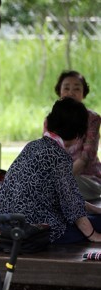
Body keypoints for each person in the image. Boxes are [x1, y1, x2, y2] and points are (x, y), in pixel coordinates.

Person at [0, 97, 101, 244]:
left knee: (94, 217)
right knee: (97, 222)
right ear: (78, 132)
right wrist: (93, 235)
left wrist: (95, 209)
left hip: (7, 225)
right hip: (36, 230)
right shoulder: (59, 157)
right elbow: (71, 205)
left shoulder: (32, 146)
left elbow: (69, 196)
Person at [43, 70, 101, 200]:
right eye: (66, 88)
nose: (71, 92)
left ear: (83, 93)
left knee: (65, 187)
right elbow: (47, 155)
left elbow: (86, 158)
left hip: (87, 179)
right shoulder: (50, 120)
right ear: (59, 91)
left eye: (76, 88)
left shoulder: (93, 119)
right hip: (59, 178)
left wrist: (61, 180)